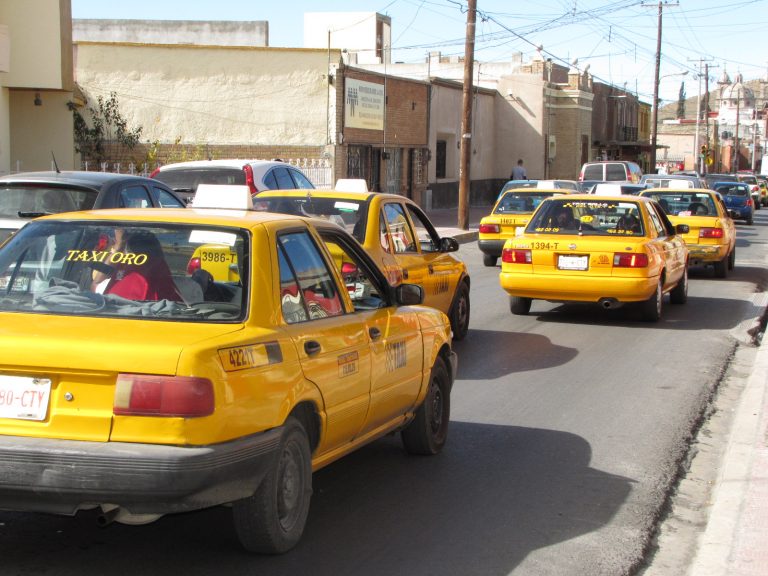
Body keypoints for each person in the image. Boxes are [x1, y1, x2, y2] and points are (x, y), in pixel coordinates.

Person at [101, 230, 181, 301]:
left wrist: (119, 245)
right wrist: (119, 245)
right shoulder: (123, 262)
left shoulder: (157, 266)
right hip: (109, 309)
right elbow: (97, 280)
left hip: (137, 309)